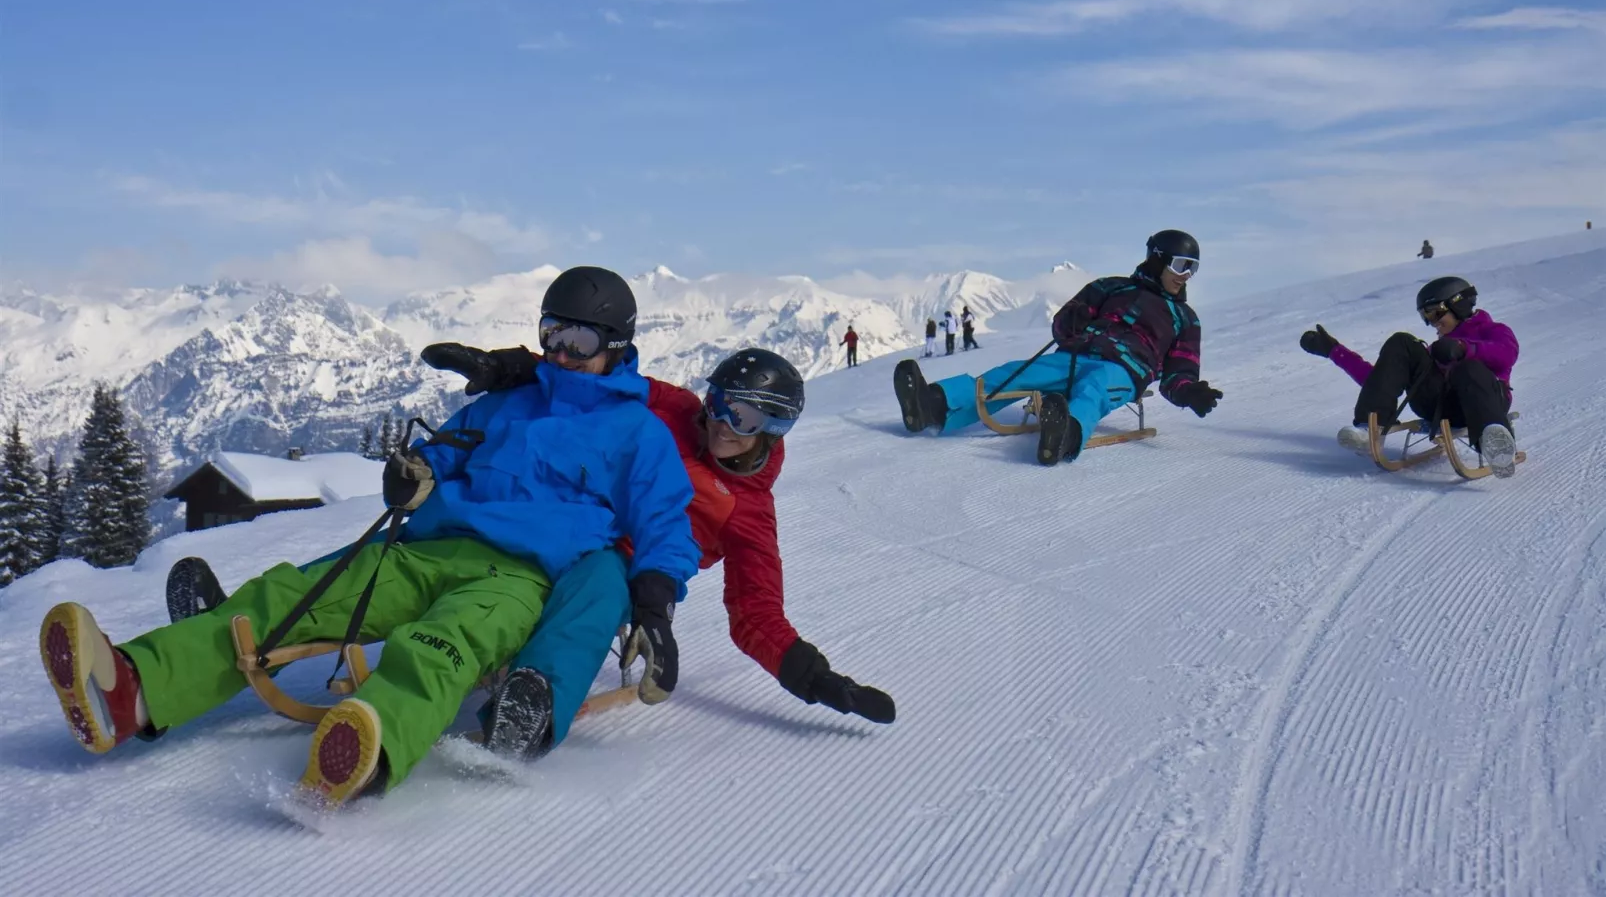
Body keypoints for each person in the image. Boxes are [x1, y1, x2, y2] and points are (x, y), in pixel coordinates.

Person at [40, 266, 702, 806]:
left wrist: (655, 607)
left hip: (518, 577)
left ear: (616, 344)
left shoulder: (638, 435)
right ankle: (133, 688)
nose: (560, 352)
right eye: (552, 333)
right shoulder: (508, 402)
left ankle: (374, 743)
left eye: (579, 343)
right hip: (425, 546)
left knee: (440, 647)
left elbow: (666, 525)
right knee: (291, 597)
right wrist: (415, 470)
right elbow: (447, 453)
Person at [171, 346, 898, 762]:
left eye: (743, 416)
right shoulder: (673, 410)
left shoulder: (748, 515)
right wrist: (515, 370)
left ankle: (534, 699)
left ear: (773, 431)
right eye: (718, 399)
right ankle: (249, 617)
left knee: (595, 588)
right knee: (408, 541)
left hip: (614, 564)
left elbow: (755, 614)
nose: (719, 421)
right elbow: (598, 375)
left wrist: (813, 678)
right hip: (545, 519)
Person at [894, 230, 1222, 466]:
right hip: (1074, 355)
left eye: (1193, 268)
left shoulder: (1184, 318)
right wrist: (1073, 320)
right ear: (1158, 260)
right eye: (1182, 265)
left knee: (1093, 390)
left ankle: (1065, 434)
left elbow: (1180, 368)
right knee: (1013, 374)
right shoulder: (1110, 287)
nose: (1187, 276)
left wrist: (1189, 392)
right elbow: (1064, 323)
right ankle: (934, 405)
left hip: (1125, 369)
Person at [1299, 275, 1519, 476]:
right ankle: (1370, 429)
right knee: (1402, 342)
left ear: (1458, 304)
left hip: (1484, 405)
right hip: (1439, 408)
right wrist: (1333, 350)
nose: (1432, 322)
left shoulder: (1494, 331)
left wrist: (1463, 349)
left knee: (1468, 368)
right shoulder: (1436, 349)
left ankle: (1495, 444)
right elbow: (1380, 379)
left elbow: (1506, 354)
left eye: (1435, 312)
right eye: (1426, 316)